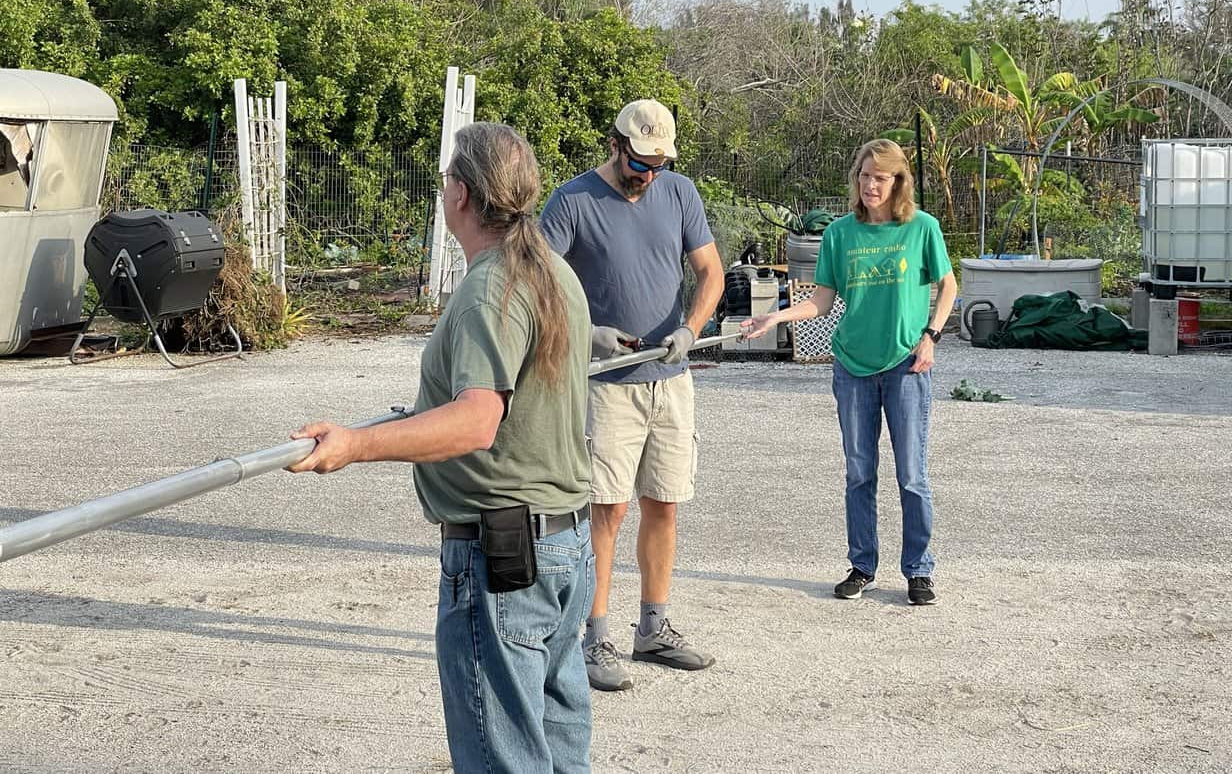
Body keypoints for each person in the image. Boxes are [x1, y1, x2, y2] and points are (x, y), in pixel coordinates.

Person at [286, 123, 595, 773]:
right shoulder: (553, 272)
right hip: (563, 548)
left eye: (447, 178)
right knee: (560, 756)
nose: (445, 189)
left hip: (504, 558)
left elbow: (477, 421)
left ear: (461, 194)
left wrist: (355, 444)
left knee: (503, 760)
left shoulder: (492, 287)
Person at [540, 99, 724, 692]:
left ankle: (653, 627)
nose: (648, 174)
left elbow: (711, 272)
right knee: (606, 510)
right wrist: (586, 332)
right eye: (640, 163)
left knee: (664, 502)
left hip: (670, 379)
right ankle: (592, 636)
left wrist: (689, 330)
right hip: (605, 386)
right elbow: (537, 284)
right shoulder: (571, 202)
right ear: (615, 145)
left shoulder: (679, 193)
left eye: (658, 165)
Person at [743, 138, 957, 606]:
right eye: (864, 176)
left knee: (912, 475)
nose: (870, 185)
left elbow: (948, 285)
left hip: (906, 365)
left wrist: (931, 336)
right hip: (852, 367)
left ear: (898, 181)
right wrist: (775, 317)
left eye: (880, 177)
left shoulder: (921, 227)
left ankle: (919, 570)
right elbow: (822, 299)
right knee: (860, 472)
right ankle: (862, 566)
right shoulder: (840, 234)